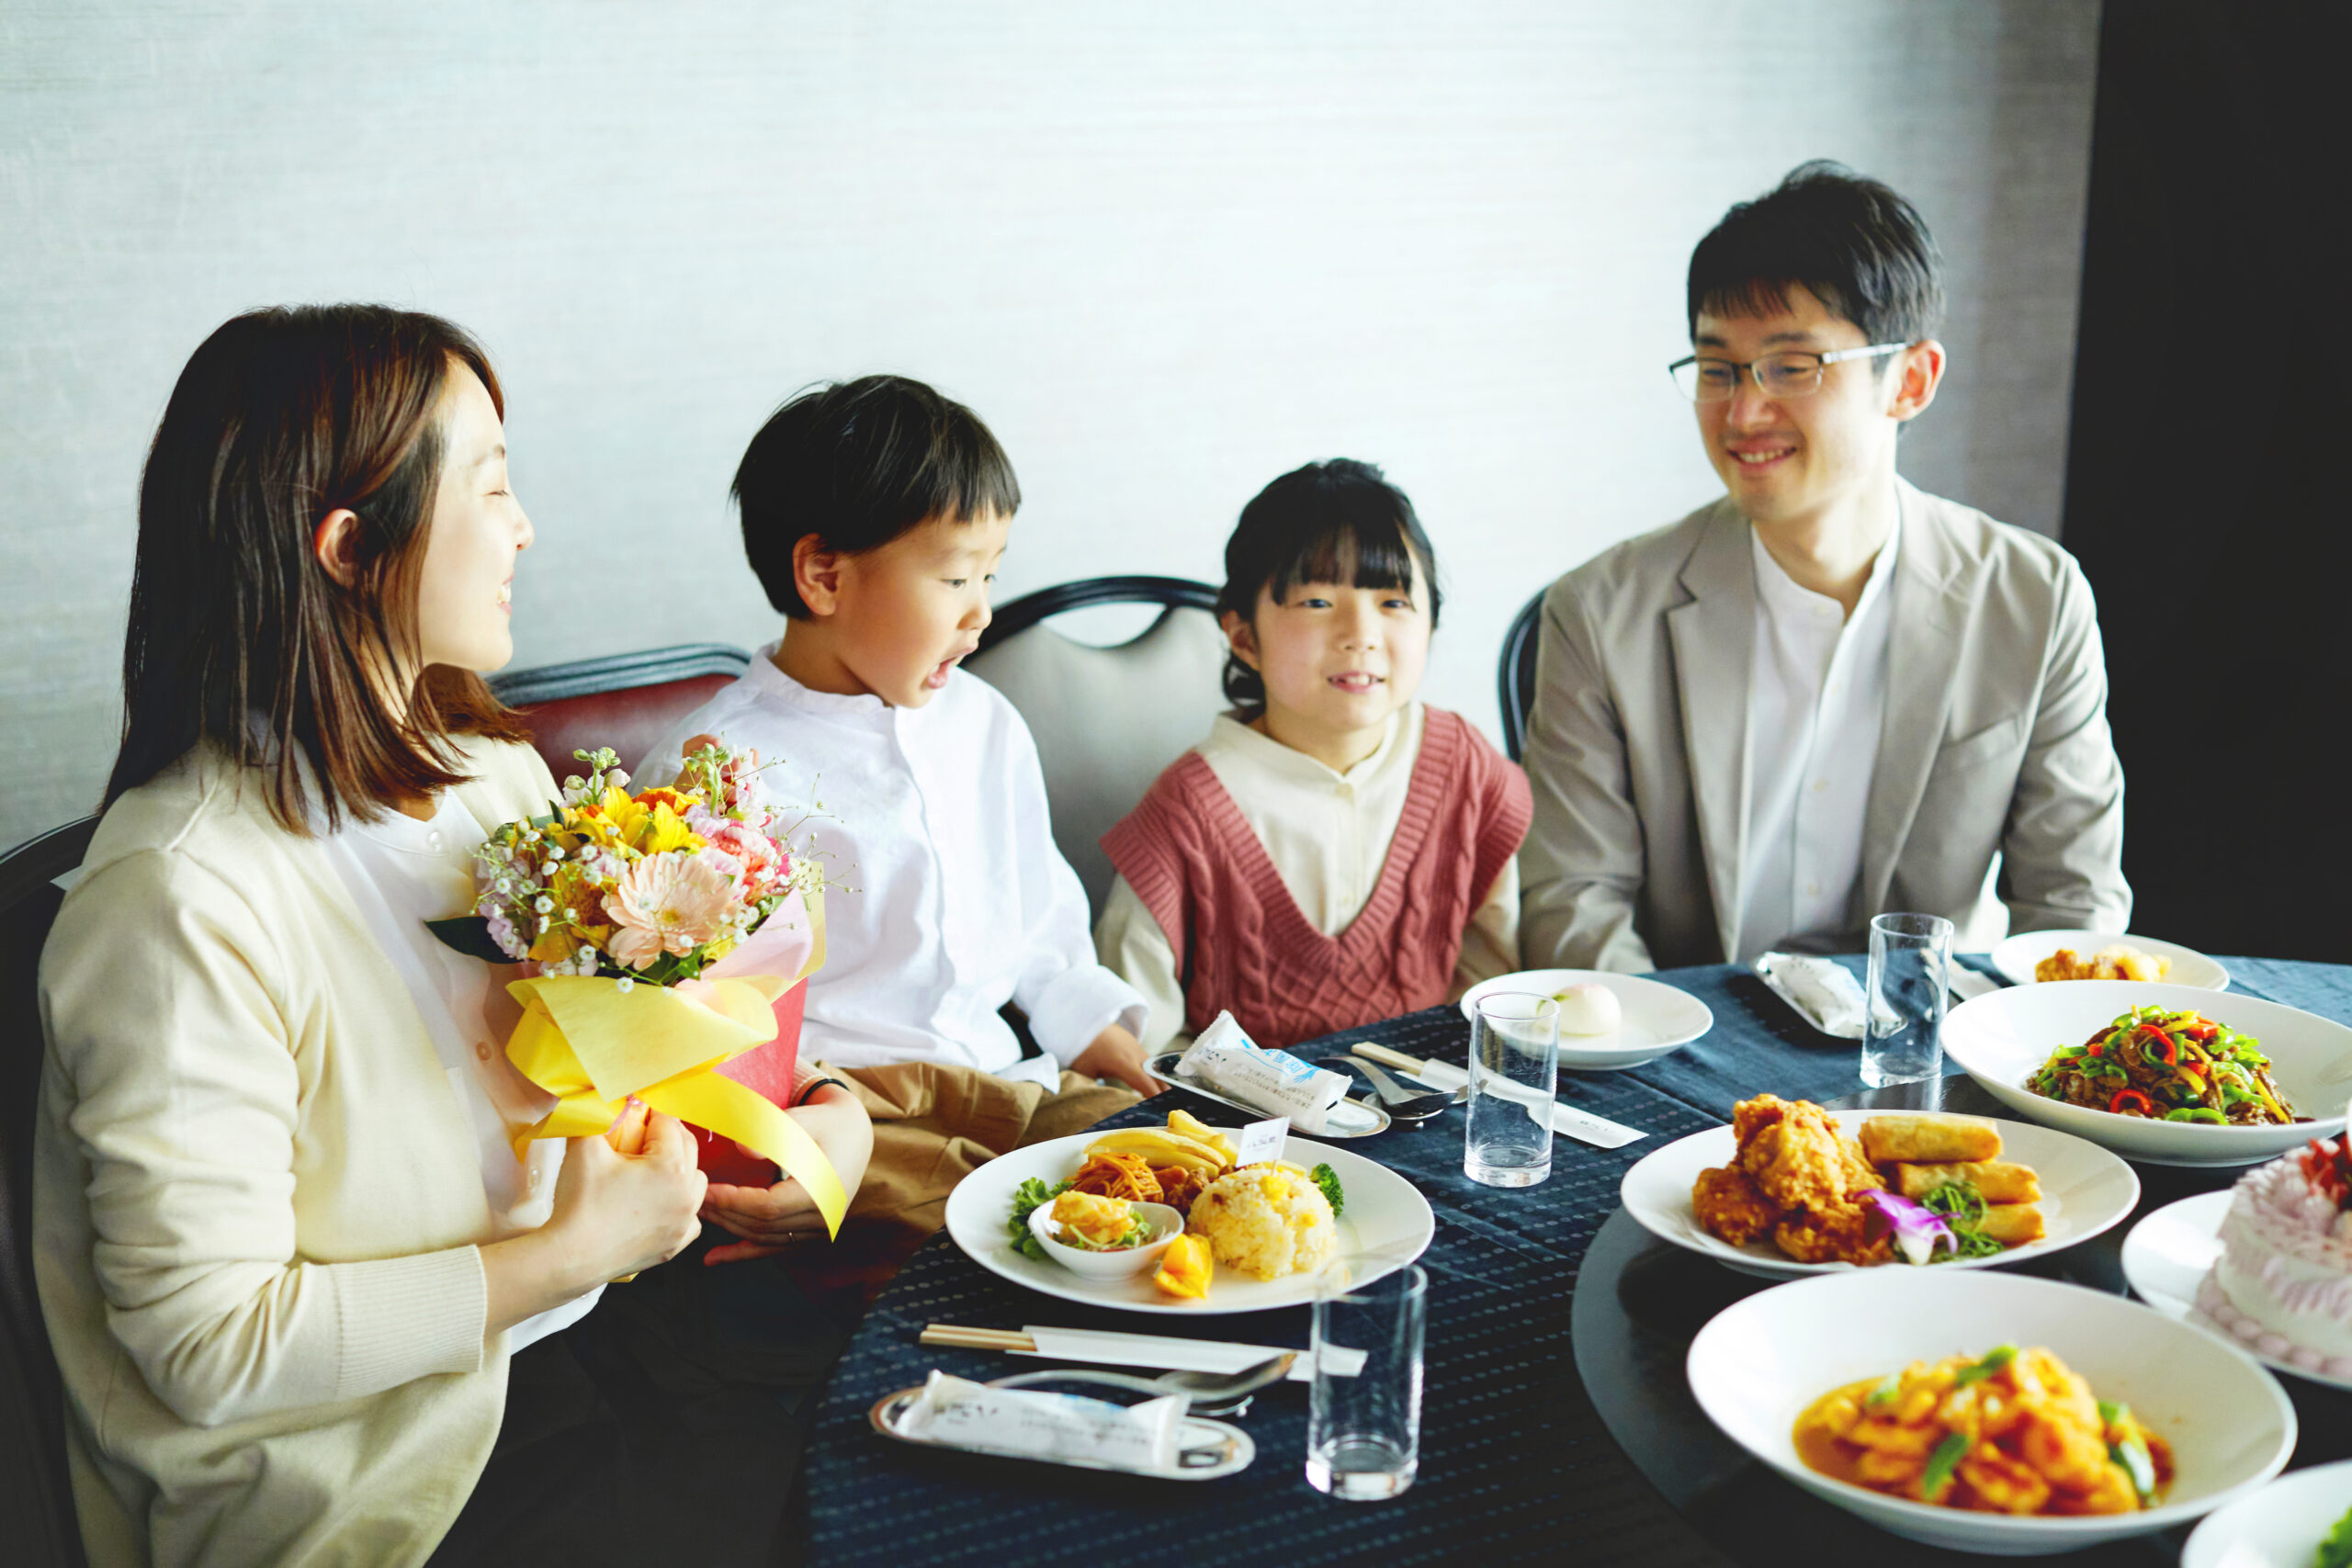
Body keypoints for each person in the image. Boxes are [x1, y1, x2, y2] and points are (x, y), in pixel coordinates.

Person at [34, 306, 864, 1568]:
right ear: (350, 548)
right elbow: (208, 1345)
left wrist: (813, 1117)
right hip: (383, 1468)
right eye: (490, 485)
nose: (523, 526)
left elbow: (623, 1055)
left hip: (595, 1344)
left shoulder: (483, 774)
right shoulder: (177, 899)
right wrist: (570, 1254)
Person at [1519, 162, 2130, 973]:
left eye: (1791, 366)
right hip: (1687, 1037)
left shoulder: (2034, 601)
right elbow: (1573, 907)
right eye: (1718, 369)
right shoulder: (1599, 613)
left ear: (1910, 380)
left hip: (1938, 1034)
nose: (1744, 412)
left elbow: (2073, 910)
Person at [636, 375, 1149, 1283]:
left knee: (1168, 1161)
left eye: (989, 574)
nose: (981, 611)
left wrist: (1103, 1036)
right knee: (987, 1232)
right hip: (855, 1108)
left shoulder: (985, 723)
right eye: (954, 578)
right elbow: (690, 1016)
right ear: (823, 576)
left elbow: (1039, 923)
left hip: (1008, 1083)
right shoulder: (716, 768)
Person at [1095, 459, 1530, 1050]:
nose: (1361, 634)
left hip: (1435, 1094)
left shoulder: (1465, 767)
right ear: (1244, 637)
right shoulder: (1187, 811)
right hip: (1236, 1110)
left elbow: (1496, 990)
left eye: (1394, 602)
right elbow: (1133, 1046)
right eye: (1318, 602)